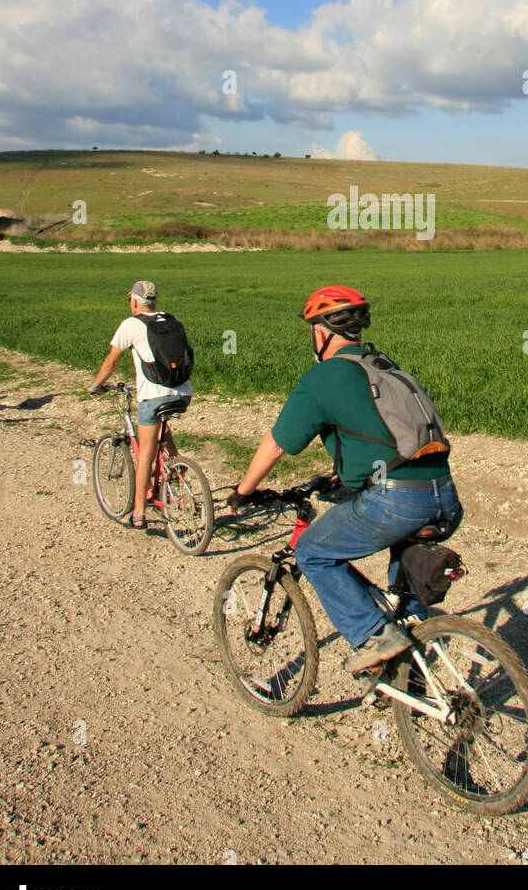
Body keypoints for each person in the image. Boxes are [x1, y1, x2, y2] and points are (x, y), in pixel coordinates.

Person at [227, 285, 462, 673]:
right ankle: (411, 660)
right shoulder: (384, 366)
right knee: (404, 585)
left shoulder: (324, 377)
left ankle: (375, 635)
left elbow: (274, 445)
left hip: (397, 500)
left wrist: (243, 490)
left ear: (321, 333)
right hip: (445, 496)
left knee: (313, 550)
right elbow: (380, 433)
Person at [89, 280, 192, 529]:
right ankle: (177, 464)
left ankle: (137, 514)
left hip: (153, 395)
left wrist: (95, 387)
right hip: (183, 392)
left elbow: (111, 362)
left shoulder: (131, 324)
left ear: (134, 302)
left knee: (145, 454)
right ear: (154, 301)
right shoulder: (172, 319)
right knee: (161, 426)